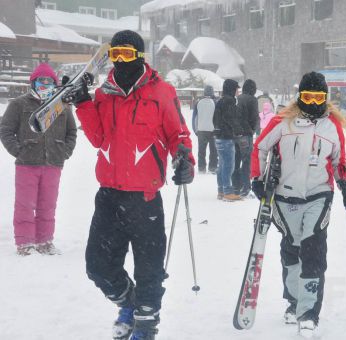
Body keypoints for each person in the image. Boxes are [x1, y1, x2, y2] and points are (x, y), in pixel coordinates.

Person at [63, 30, 195, 340]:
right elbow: (97, 138)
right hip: (109, 195)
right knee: (98, 267)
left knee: (148, 270)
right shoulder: (104, 94)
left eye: (126, 53)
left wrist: (184, 158)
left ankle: (145, 326)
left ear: (139, 54)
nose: (120, 60)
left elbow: (179, 134)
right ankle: (131, 304)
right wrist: (83, 102)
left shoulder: (162, 92)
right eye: (115, 53)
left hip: (144, 198)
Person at [250, 71, 346, 336]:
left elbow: (339, 161)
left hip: (319, 195)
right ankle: (294, 301)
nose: (313, 102)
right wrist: (257, 177)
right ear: (300, 97)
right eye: (308, 96)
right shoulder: (282, 121)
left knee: (312, 250)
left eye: (319, 97)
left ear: (326, 98)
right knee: (292, 248)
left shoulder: (332, 126)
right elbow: (260, 148)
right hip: (285, 196)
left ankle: (309, 313)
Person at [0, 63, 77, 256]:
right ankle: (25, 243)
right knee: (25, 205)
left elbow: (72, 132)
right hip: (27, 164)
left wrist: (65, 151)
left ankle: (44, 241)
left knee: (48, 204)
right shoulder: (19, 104)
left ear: (55, 83)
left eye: (49, 81)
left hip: (53, 164)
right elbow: (6, 130)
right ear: (33, 82)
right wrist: (18, 151)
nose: (45, 84)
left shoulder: (62, 107)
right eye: (41, 81)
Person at [213, 78, 244, 201]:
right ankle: (227, 191)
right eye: (237, 89)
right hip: (226, 137)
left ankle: (221, 190)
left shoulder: (221, 101)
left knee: (222, 165)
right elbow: (231, 118)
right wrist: (238, 130)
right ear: (232, 89)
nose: (238, 91)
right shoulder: (229, 101)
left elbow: (216, 118)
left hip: (219, 136)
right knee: (228, 166)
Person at [233, 79, 258, 197]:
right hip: (246, 134)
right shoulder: (252, 100)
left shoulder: (238, 98)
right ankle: (246, 187)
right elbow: (254, 117)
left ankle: (235, 186)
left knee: (236, 160)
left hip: (235, 134)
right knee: (246, 161)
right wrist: (252, 129)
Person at [192, 85, 218, 174]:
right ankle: (213, 167)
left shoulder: (198, 102)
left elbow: (194, 118)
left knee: (201, 150)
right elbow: (217, 118)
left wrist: (195, 130)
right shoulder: (215, 102)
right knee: (213, 150)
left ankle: (201, 167)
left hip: (201, 130)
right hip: (212, 130)